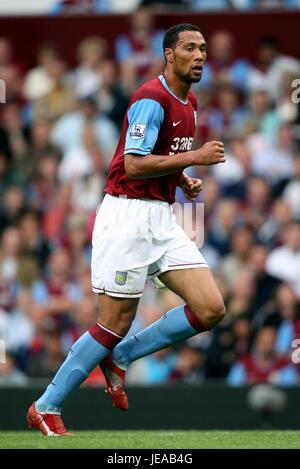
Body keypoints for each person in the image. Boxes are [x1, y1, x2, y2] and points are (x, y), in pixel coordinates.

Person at [27, 23, 226, 436]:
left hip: (160, 216)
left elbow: (159, 157)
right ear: (168, 54)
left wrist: (182, 178)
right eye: (190, 48)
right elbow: (133, 164)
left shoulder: (188, 102)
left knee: (210, 308)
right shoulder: (150, 99)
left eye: (203, 48)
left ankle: (121, 358)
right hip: (126, 218)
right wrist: (196, 156)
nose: (200, 55)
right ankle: (46, 405)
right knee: (112, 323)